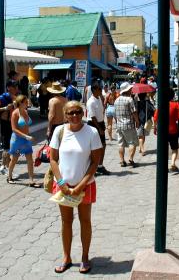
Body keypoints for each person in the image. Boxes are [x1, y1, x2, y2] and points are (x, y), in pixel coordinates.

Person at [49, 101, 102, 274]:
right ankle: (67, 257)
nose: (75, 115)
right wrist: (62, 183)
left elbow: (95, 162)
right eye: (71, 113)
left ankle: (85, 257)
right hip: (63, 187)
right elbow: (53, 159)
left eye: (78, 112)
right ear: (65, 115)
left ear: (83, 112)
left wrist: (80, 185)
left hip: (85, 186)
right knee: (66, 222)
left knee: (85, 221)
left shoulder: (91, 132)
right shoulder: (60, 131)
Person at [7, 95, 41, 187]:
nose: (28, 103)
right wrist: (26, 136)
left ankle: (31, 180)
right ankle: (9, 177)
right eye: (26, 102)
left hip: (26, 139)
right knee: (14, 159)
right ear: (21, 103)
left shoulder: (26, 111)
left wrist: (28, 136)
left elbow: (26, 126)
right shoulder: (15, 113)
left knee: (30, 159)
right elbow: (14, 129)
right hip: (17, 139)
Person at [0, 80, 18, 177]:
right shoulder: (2, 98)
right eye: (14, 87)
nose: (16, 88)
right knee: (7, 147)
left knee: (11, 147)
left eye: (16, 86)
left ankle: (6, 168)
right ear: (9, 88)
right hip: (5, 124)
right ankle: (3, 167)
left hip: (14, 124)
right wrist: (5, 108)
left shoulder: (16, 97)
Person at [153, 89, 179, 172]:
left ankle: (164, 166)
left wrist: (155, 128)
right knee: (174, 149)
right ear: (173, 96)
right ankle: (173, 163)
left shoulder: (161, 105)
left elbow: (155, 118)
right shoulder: (176, 105)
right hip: (173, 130)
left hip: (163, 131)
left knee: (163, 149)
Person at [114, 82, 140, 167]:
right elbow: (134, 112)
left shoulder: (116, 100)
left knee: (120, 144)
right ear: (127, 90)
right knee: (132, 142)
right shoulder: (129, 99)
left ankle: (122, 161)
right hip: (129, 125)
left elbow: (115, 113)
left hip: (119, 125)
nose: (131, 90)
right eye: (130, 89)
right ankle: (131, 159)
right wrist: (137, 121)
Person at [86, 83, 110, 175]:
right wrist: (99, 128)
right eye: (99, 89)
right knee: (92, 147)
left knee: (103, 145)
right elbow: (92, 117)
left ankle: (100, 166)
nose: (101, 90)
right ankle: (91, 167)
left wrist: (102, 125)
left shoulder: (99, 98)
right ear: (94, 90)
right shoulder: (90, 102)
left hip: (100, 123)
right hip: (93, 124)